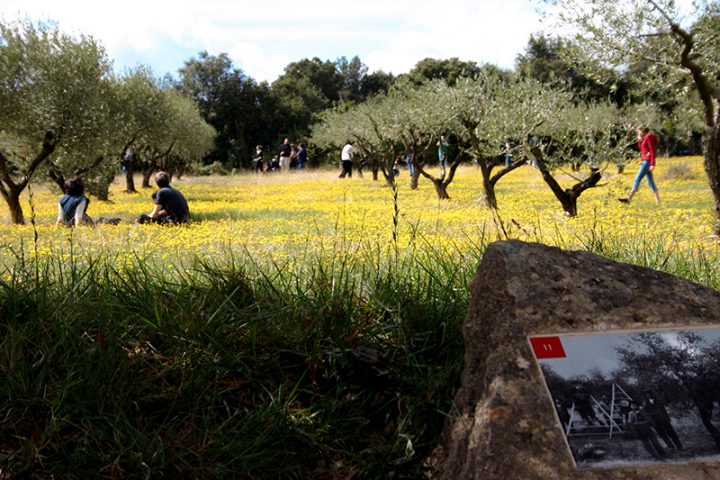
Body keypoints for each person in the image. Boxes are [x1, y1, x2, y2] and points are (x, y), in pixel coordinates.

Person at [619, 126, 661, 204]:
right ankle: (658, 201)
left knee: (637, 179)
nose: (638, 133)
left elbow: (652, 150)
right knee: (650, 181)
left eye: (639, 131)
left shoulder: (649, 137)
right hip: (645, 160)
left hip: (647, 162)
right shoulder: (645, 137)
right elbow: (642, 149)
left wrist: (652, 164)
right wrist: (639, 141)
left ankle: (629, 199)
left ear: (642, 130)